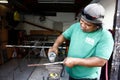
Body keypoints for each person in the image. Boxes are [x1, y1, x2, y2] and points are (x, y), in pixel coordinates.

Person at [48, 3, 114, 80]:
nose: (82, 26)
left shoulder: (105, 36)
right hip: (72, 74)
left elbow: (101, 61)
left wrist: (75, 61)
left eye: (88, 25)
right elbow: (63, 36)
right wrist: (55, 46)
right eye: (81, 21)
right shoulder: (75, 27)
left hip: (87, 77)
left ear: (97, 25)